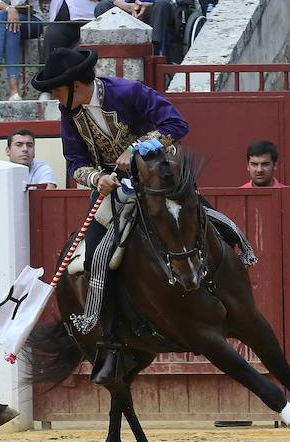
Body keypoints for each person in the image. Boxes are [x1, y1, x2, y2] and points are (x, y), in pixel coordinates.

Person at [32, 47, 189, 384]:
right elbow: (75, 163)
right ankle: (110, 340)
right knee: (92, 255)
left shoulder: (128, 92)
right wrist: (96, 178)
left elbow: (176, 123)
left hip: (159, 179)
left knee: (200, 220)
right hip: (115, 192)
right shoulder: (68, 113)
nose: (56, 96)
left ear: (76, 84)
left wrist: (136, 149)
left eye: (58, 89)